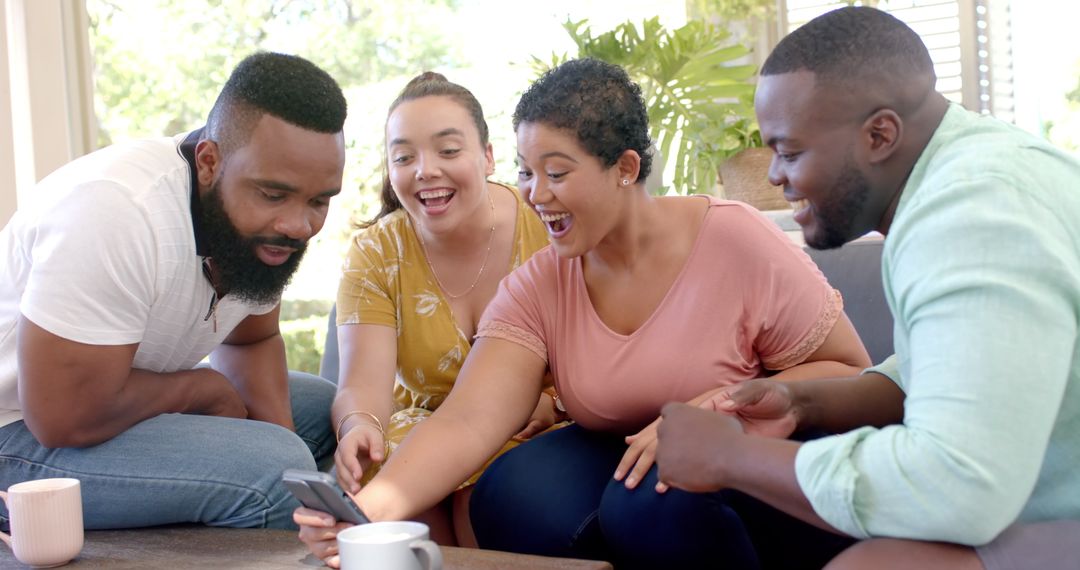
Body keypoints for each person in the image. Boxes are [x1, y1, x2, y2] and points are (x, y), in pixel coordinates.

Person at [297, 58, 872, 569]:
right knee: (511, 494)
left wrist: (717, 409)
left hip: (755, 455)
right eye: (525, 172)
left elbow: (851, 371)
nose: (534, 194)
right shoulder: (543, 281)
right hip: (627, 454)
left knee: (648, 503)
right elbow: (468, 420)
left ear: (625, 167)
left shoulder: (734, 239)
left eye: (556, 173)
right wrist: (363, 513)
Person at [654, 6, 1080, 570]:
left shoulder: (970, 216)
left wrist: (730, 456)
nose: (774, 175)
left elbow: (957, 485)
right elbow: (958, 369)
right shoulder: (973, 170)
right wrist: (801, 403)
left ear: (880, 134)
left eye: (789, 151)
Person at [0, 52, 348, 530]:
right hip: (20, 432)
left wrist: (295, 470)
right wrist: (202, 390)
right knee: (271, 469)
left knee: (324, 411)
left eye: (319, 201)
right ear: (209, 162)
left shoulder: (255, 226)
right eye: (273, 195)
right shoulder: (116, 210)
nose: (298, 225)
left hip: (109, 401)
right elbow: (61, 416)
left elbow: (252, 340)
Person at [322, 72, 553, 547]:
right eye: (404, 157)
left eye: (448, 151)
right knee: (388, 470)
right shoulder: (375, 252)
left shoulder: (547, 227)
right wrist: (359, 425)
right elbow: (362, 385)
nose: (425, 171)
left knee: (483, 496)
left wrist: (555, 402)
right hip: (422, 425)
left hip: (531, 425)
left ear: (487, 156)